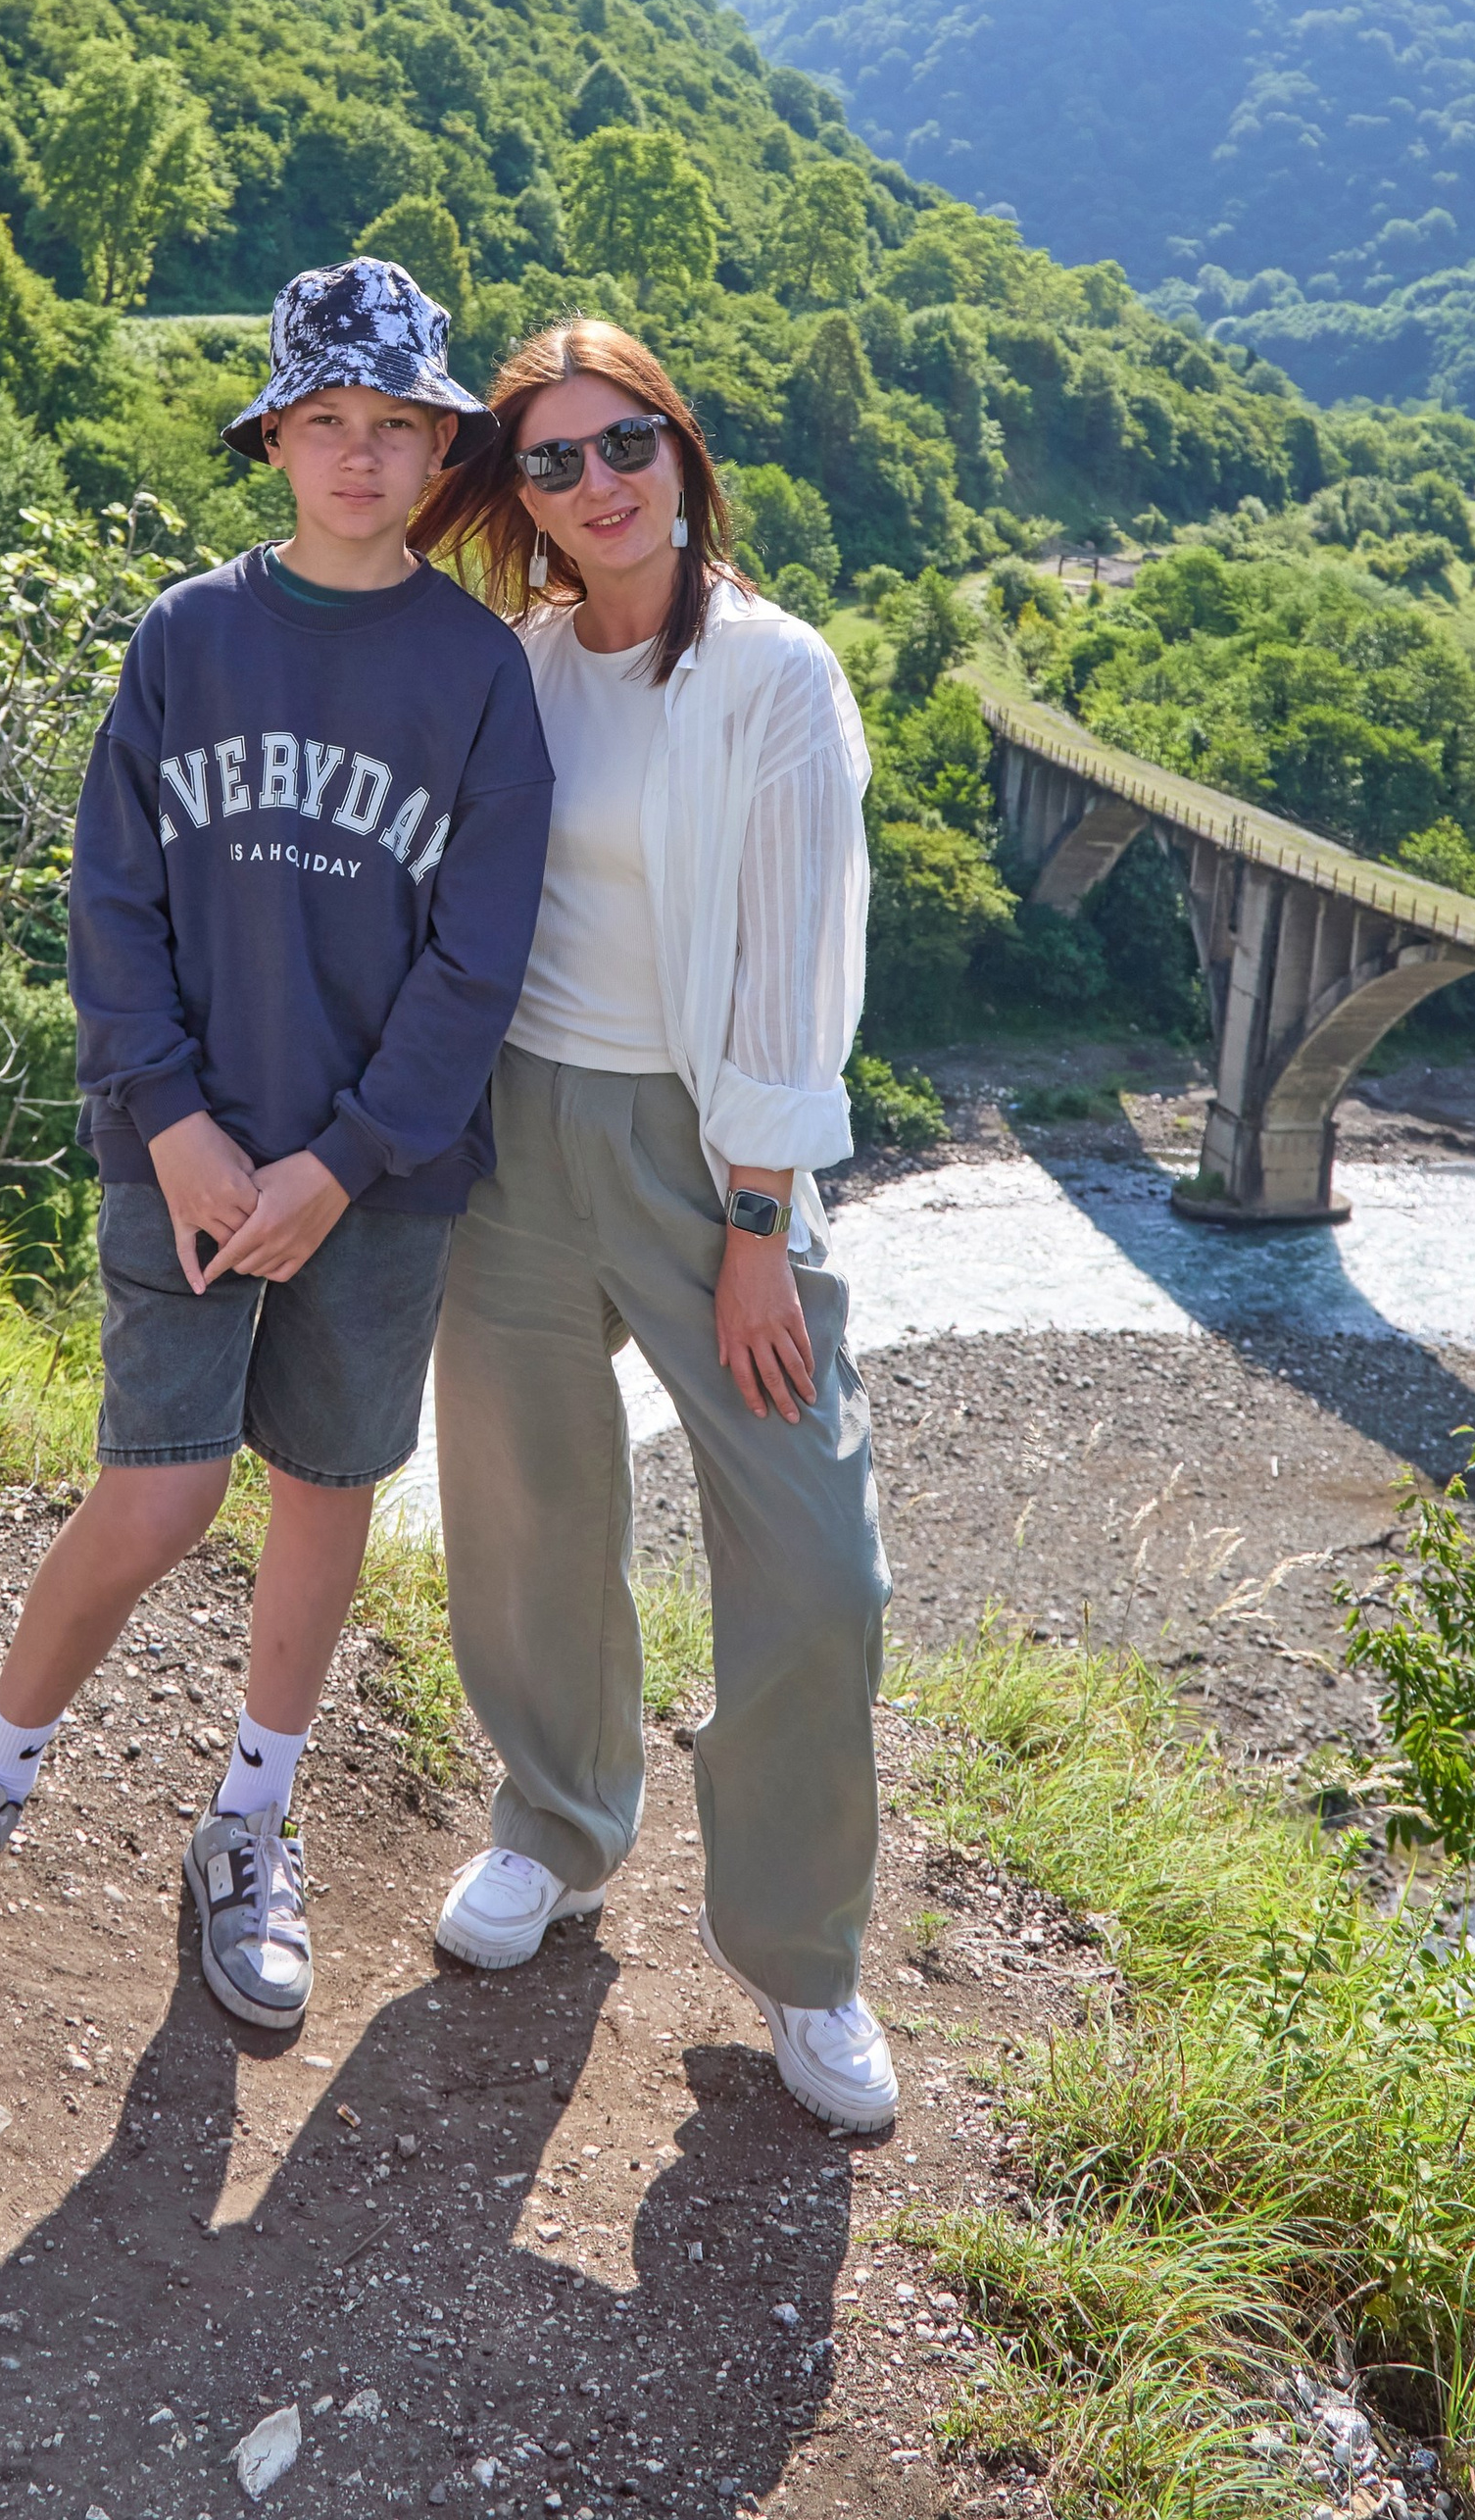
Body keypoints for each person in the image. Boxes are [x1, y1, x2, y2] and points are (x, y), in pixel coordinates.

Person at [0, 259, 553, 2031]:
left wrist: (344, 1161)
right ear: (275, 440)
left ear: (441, 447)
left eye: (397, 424)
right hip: (184, 1154)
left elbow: (480, 960)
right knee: (160, 1487)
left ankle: (252, 1818)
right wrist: (168, 1118)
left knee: (324, 1488)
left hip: (376, 1180)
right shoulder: (189, 635)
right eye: (328, 420)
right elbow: (113, 896)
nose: (362, 454)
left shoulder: (476, 672)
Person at [410, 321, 896, 2132]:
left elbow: (797, 962)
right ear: (521, 494)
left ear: (683, 453)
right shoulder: (518, 665)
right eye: (553, 458)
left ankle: (801, 1953)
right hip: (519, 1137)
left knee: (816, 1562)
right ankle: (556, 1824)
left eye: (628, 443)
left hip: (716, 1158)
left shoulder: (775, 673)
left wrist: (759, 1220)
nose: (598, 481)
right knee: (528, 1505)